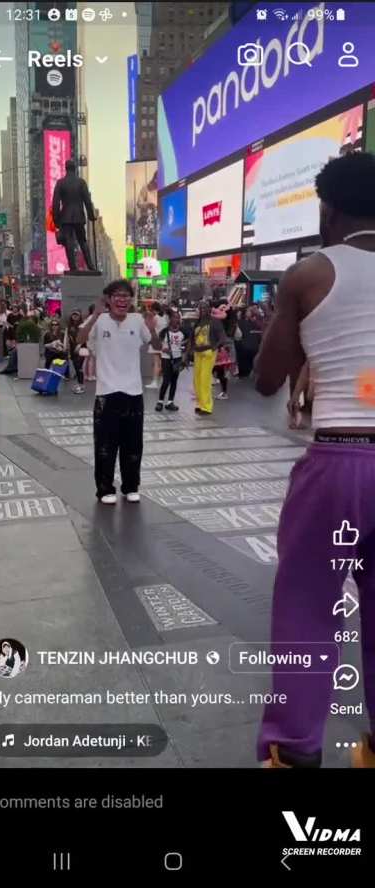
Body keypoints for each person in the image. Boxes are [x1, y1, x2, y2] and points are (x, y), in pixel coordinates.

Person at [254, 151, 375, 769]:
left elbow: (268, 380)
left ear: (327, 210)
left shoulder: (310, 274)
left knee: (308, 603)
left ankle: (296, 749)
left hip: (340, 461)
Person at [77, 279, 161, 504]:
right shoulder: (99, 321)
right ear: (108, 299)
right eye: (117, 295)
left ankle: (131, 485)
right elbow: (80, 340)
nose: (122, 300)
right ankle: (105, 489)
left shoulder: (137, 320)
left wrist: (152, 329)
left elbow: (157, 345)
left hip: (133, 392)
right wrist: (94, 315)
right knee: (105, 444)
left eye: (126, 296)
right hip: (107, 392)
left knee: (133, 443)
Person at [52, 158, 95, 271]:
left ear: (66, 169)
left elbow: (55, 203)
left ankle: (73, 267)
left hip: (65, 217)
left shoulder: (60, 183)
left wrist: (56, 219)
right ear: (75, 169)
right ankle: (90, 266)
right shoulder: (81, 182)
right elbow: (87, 201)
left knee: (68, 242)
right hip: (79, 216)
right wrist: (91, 215)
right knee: (82, 241)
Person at [191, 301, 226, 415]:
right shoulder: (198, 322)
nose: (203, 310)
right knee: (197, 380)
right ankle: (200, 404)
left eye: (205, 308)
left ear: (210, 309)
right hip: (197, 353)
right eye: (201, 308)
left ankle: (207, 407)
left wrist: (213, 347)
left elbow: (222, 337)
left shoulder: (215, 321)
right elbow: (192, 338)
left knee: (205, 379)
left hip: (208, 353)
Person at [155, 310, 188, 412]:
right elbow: (157, 343)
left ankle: (170, 402)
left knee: (174, 380)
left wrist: (184, 355)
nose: (176, 319)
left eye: (178, 317)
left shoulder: (183, 331)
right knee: (166, 380)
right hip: (166, 358)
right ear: (170, 319)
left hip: (177, 359)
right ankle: (160, 401)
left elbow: (189, 342)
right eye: (174, 317)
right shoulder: (164, 331)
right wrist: (163, 349)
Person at [236, 305, 263, 377]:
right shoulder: (241, 322)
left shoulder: (255, 322)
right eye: (248, 311)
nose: (249, 312)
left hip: (252, 346)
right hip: (246, 346)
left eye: (250, 311)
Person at [145, 301, 167, 389]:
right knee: (161, 363)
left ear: (154, 309)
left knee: (156, 363)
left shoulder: (155, 318)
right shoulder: (164, 317)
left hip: (155, 342)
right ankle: (160, 380)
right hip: (163, 342)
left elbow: (150, 329)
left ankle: (154, 382)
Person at [64, 310, 84, 393]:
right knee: (76, 366)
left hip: (81, 348)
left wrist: (79, 345)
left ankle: (81, 385)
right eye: (73, 315)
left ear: (79, 316)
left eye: (77, 315)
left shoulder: (82, 326)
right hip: (72, 349)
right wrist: (65, 345)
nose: (75, 317)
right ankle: (79, 384)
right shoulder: (69, 326)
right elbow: (66, 337)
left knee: (79, 367)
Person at [80, 304, 97, 381]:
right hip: (91, 340)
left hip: (88, 339)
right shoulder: (93, 318)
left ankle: (85, 375)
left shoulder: (88, 318)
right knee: (91, 358)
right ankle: (91, 375)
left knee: (87, 358)